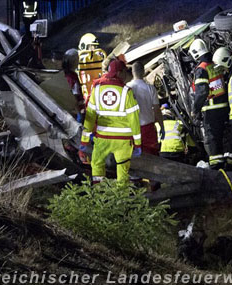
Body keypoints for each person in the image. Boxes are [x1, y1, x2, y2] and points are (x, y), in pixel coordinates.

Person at [80, 57, 141, 185]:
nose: (125, 75)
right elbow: (134, 119)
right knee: (123, 171)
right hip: (123, 141)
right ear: (119, 73)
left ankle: (99, 195)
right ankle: (122, 199)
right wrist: (138, 143)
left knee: (97, 166)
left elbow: (90, 117)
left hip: (103, 138)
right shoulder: (126, 92)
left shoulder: (97, 89)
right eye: (124, 72)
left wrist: (84, 141)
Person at [189, 39, 228, 170]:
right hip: (223, 107)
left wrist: (195, 110)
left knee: (212, 141)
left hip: (211, 110)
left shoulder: (201, 69)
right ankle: (224, 166)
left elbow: (202, 92)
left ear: (195, 53)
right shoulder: (213, 65)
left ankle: (216, 169)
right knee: (221, 138)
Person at [127, 62, 163, 156]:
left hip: (131, 129)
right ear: (143, 72)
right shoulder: (150, 88)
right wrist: (162, 126)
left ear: (132, 72)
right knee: (152, 157)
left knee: (134, 158)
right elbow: (157, 110)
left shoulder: (126, 88)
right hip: (148, 129)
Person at [77, 33, 106, 102]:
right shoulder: (78, 59)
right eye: (91, 47)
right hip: (85, 91)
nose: (94, 49)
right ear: (84, 46)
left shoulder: (100, 56)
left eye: (95, 47)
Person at [62, 48, 85, 121]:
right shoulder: (72, 77)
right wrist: (79, 113)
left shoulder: (66, 74)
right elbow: (74, 97)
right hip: (75, 111)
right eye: (77, 59)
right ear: (73, 61)